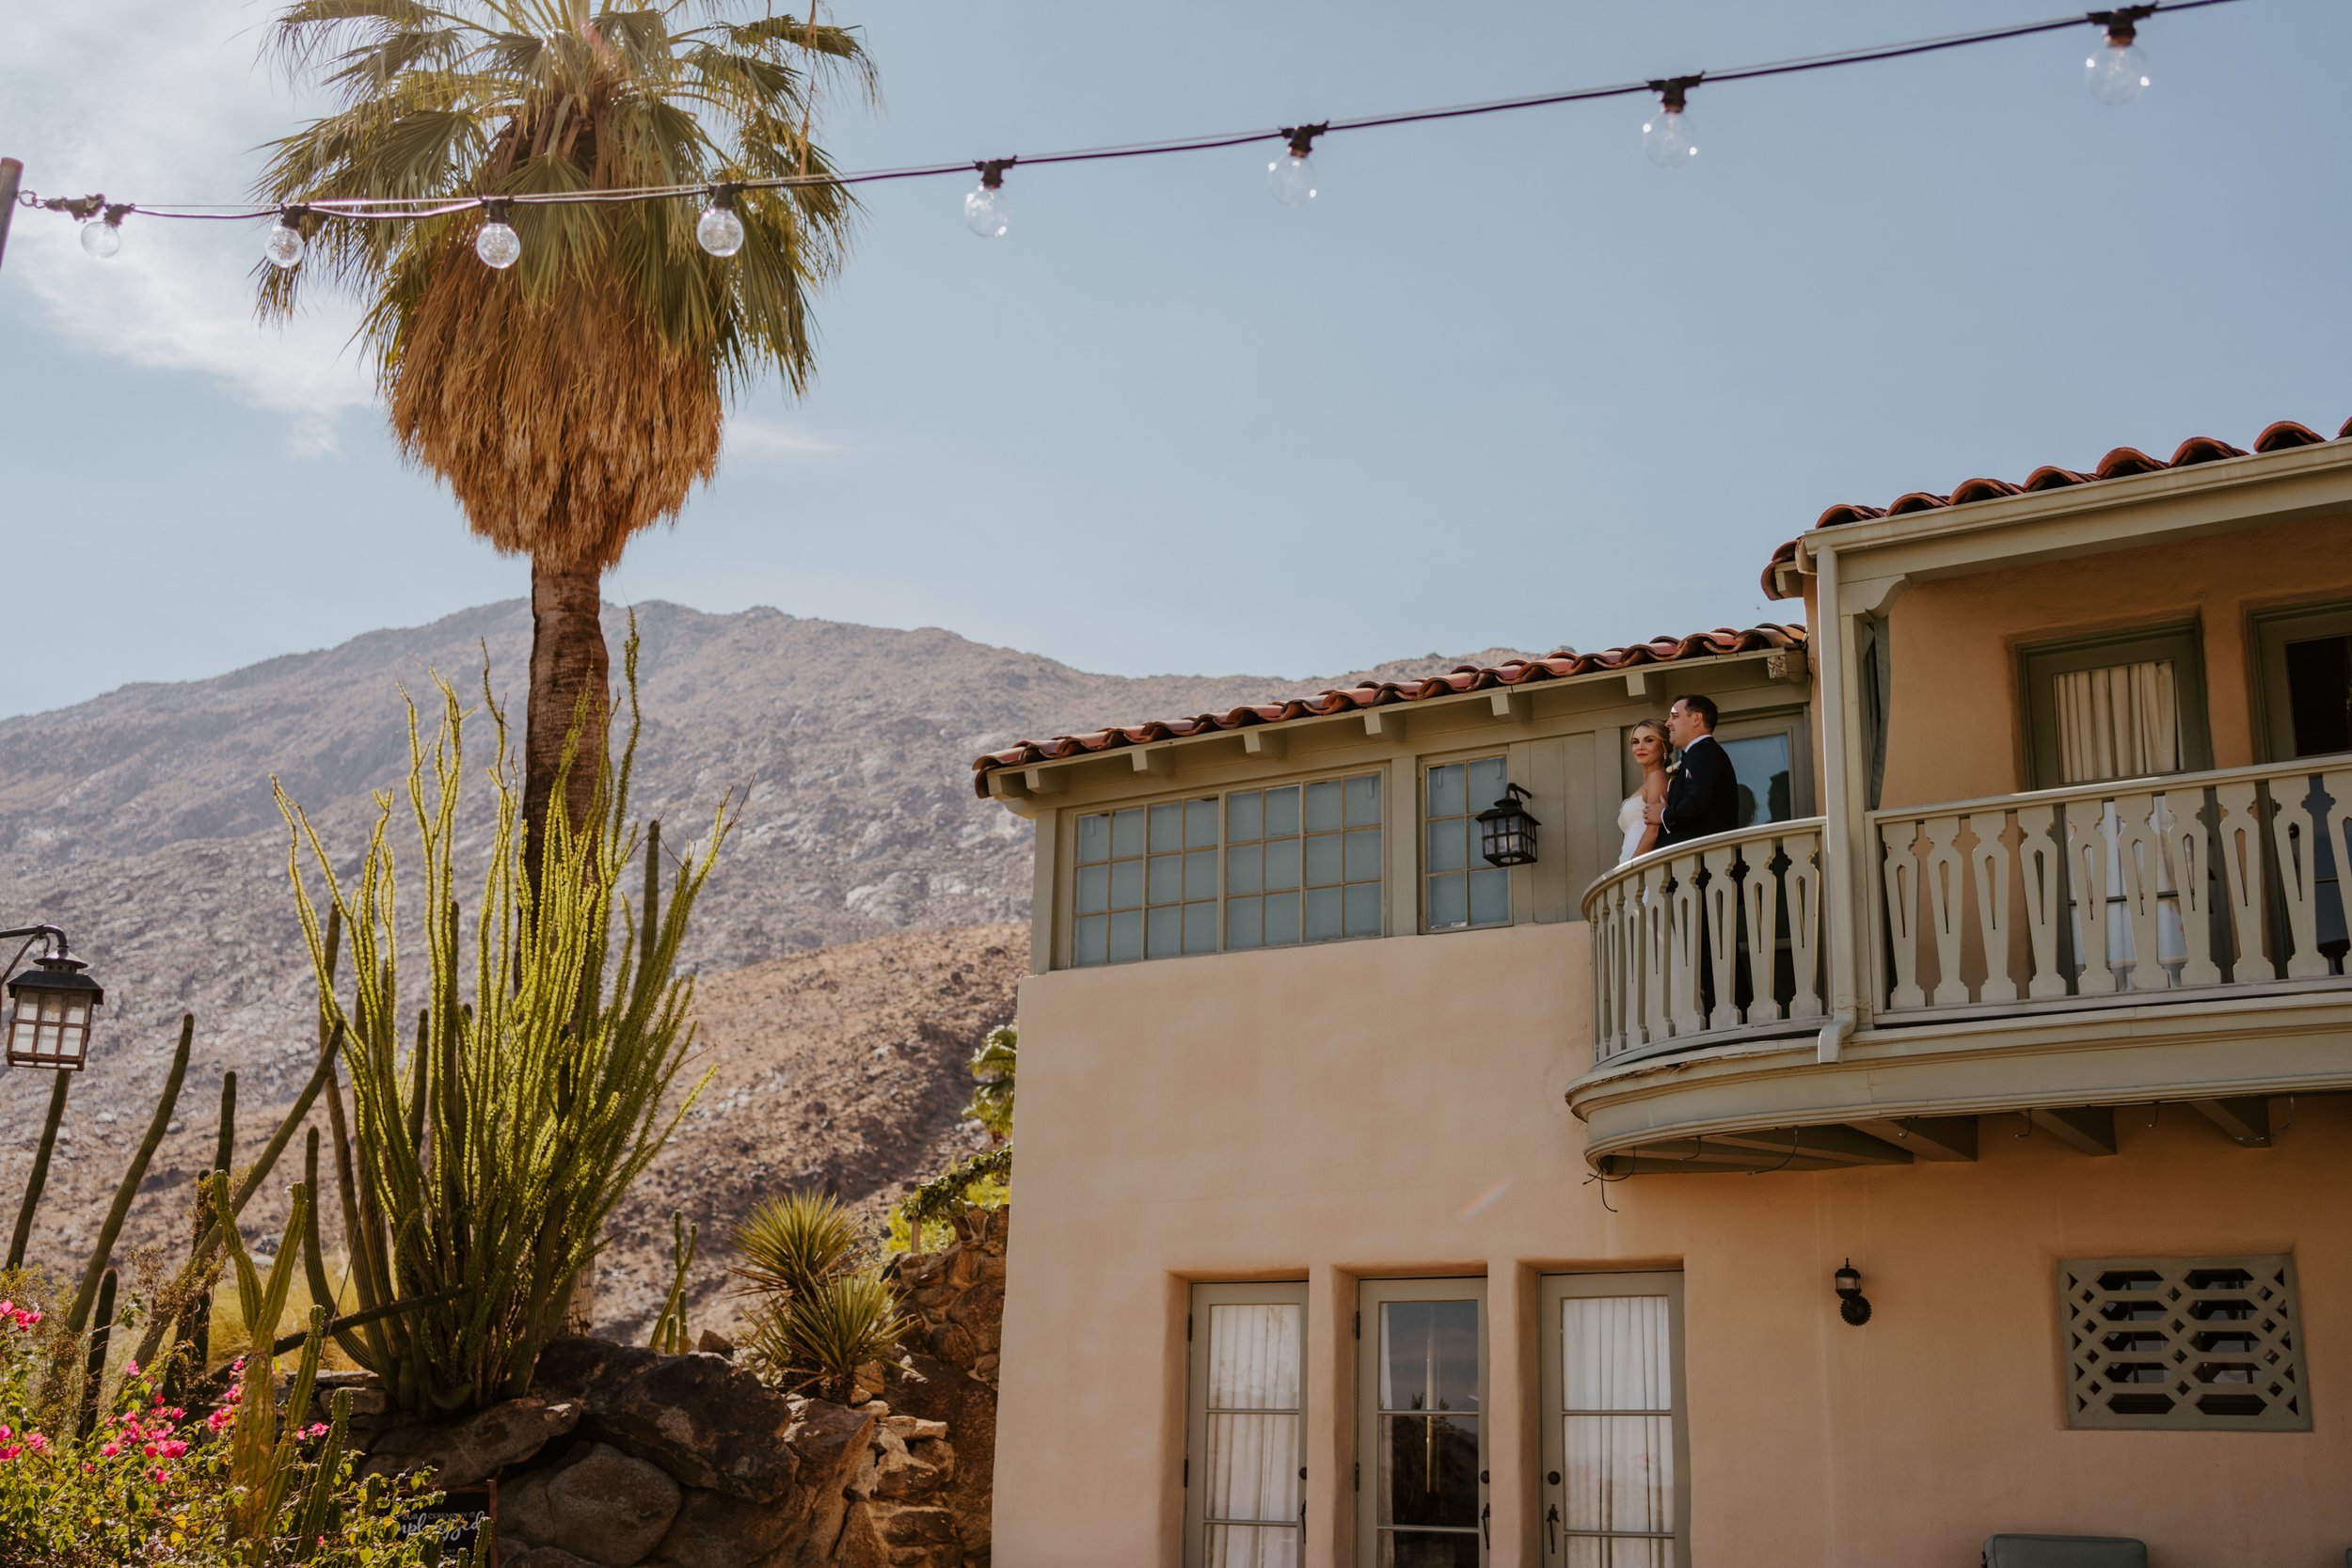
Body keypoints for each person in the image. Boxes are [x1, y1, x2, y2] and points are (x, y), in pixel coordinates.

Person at [1646, 694, 1739, 848]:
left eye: (1674, 716)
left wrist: (1663, 815)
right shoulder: (1699, 754)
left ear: (1696, 719)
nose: (1668, 723)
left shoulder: (1704, 753)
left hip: (1706, 861)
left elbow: (1696, 801)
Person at [1616, 719, 1673, 864]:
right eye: (1635, 742)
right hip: (1630, 863)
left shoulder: (1658, 777)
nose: (1640, 747)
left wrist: (1631, 869)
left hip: (1642, 867)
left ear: (1663, 745)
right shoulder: (1649, 782)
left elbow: (1653, 831)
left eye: (1648, 740)